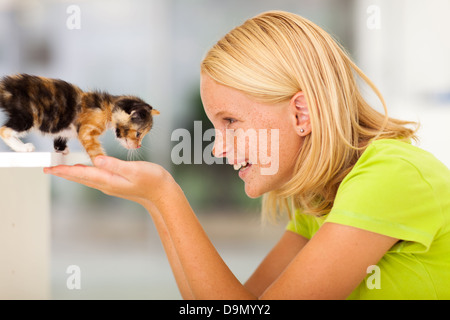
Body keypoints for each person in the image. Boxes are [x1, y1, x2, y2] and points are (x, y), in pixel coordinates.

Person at [44, 11, 450, 299]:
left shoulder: (391, 176)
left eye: (231, 121)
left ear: (300, 112)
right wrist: (156, 202)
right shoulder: (324, 199)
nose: (218, 147)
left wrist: (167, 195)